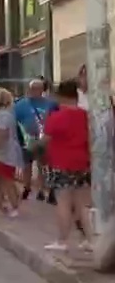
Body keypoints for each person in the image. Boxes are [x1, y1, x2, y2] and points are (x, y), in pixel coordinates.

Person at [41, 79, 94, 253]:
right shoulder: (86, 115)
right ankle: (90, 239)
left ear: (60, 95)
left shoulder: (56, 117)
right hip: (83, 163)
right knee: (83, 205)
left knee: (63, 203)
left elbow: (45, 141)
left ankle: (62, 240)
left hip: (61, 164)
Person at [14, 79, 59, 204]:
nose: (34, 91)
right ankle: (27, 187)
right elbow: (14, 122)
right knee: (27, 165)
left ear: (42, 90)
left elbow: (57, 119)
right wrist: (18, 138)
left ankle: (47, 191)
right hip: (26, 141)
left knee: (45, 166)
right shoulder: (20, 104)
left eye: (37, 88)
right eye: (32, 88)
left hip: (45, 140)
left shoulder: (51, 104)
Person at [0, 88, 24, 217]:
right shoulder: (4, 114)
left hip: (4, 153)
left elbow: (1, 135)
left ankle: (14, 207)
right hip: (4, 152)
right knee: (1, 180)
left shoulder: (2, 116)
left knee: (7, 180)